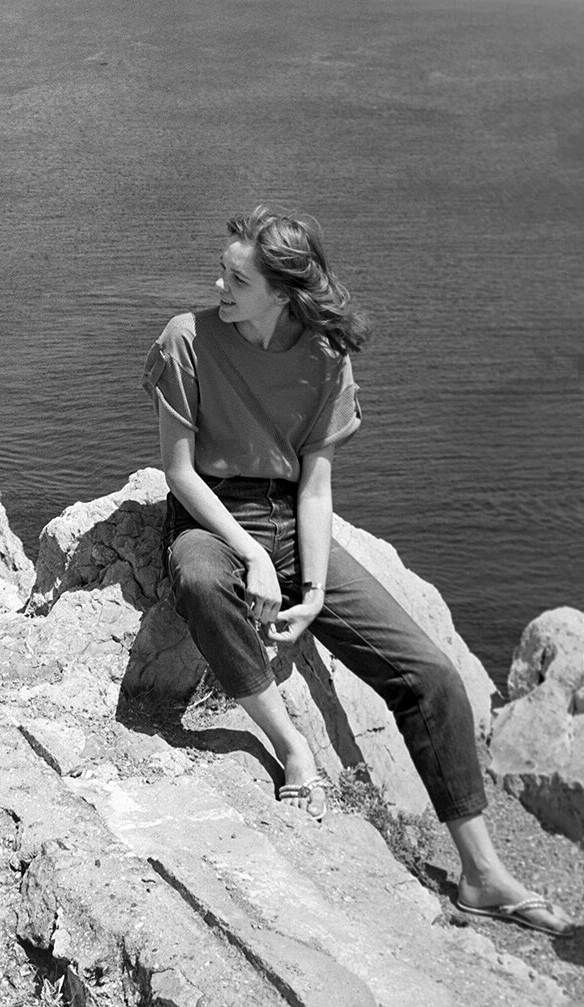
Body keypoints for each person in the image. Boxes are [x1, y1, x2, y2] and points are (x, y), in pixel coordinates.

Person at [143, 206, 571, 937]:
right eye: (222, 269)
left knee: (429, 676)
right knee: (199, 581)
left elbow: (314, 485)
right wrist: (247, 552)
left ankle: (481, 872)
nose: (218, 283)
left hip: (288, 518)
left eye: (236, 278)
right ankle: (289, 744)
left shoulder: (324, 358)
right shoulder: (187, 338)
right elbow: (178, 472)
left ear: (282, 292)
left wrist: (311, 590)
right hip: (211, 520)